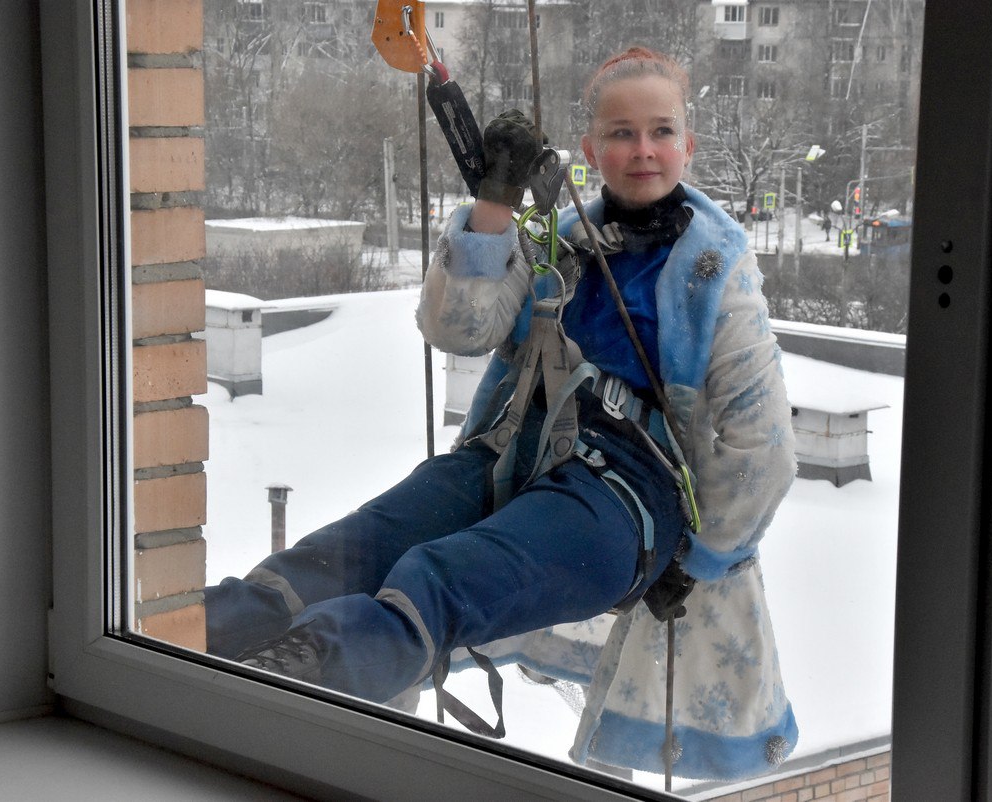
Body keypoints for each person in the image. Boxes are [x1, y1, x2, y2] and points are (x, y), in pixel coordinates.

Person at [204, 46, 798, 782]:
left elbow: (762, 447)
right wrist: (494, 203)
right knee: (359, 545)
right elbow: (459, 329)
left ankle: (317, 667)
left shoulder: (717, 272)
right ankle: (220, 628)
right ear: (591, 149)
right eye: (620, 132)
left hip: (627, 497)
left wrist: (697, 560)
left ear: (687, 143)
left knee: (444, 576)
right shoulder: (559, 236)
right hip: (511, 454)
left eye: (660, 131)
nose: (642, 150)